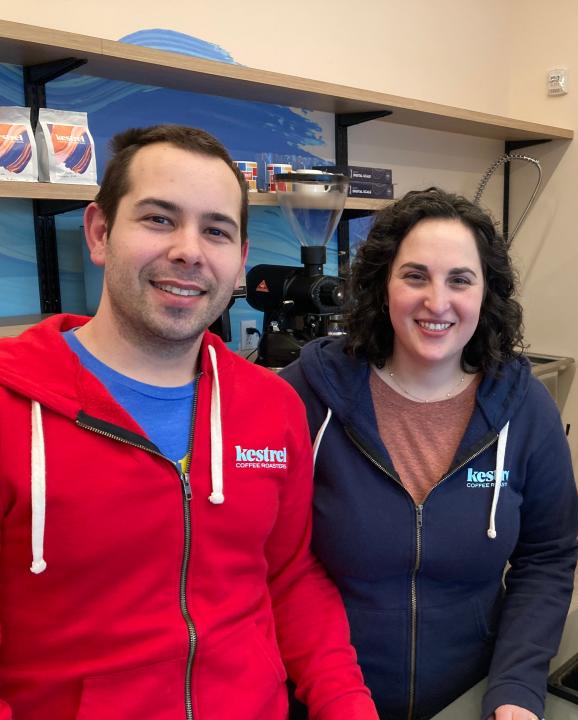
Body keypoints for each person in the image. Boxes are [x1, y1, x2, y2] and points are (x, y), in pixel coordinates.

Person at [0, 125, 377, 720]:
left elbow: (291, 576)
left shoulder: (272, 407)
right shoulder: (10, 405)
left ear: (240, 261)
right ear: (100, 233)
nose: (189, 250)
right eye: (157, 219)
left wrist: (348, 705)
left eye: (216, 230)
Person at [281, 188, 578, 720]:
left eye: (459, 279)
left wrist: (516, 687)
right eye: (415, 276)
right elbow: (278, 565)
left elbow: (547, 556)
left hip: (470, 700)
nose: (436, 301)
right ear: (382, 285)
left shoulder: (525, 407)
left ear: (486, 293)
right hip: (325, 700)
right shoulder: (306, 397)